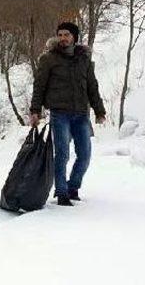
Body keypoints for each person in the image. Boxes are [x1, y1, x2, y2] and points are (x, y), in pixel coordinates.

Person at [29, 22, 106, 207]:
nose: (63, 38)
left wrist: (99, 110)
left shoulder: (84, 60)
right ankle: (62, 192)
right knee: (62, 153)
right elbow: (39, 86)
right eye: (60, 35)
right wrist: (35, 110)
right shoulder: (49, 59)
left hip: (81, 114)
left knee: (85, 155)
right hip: (59, 113)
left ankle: (73, 187)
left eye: (67, 35)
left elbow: (92, 86)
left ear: (74, 37)